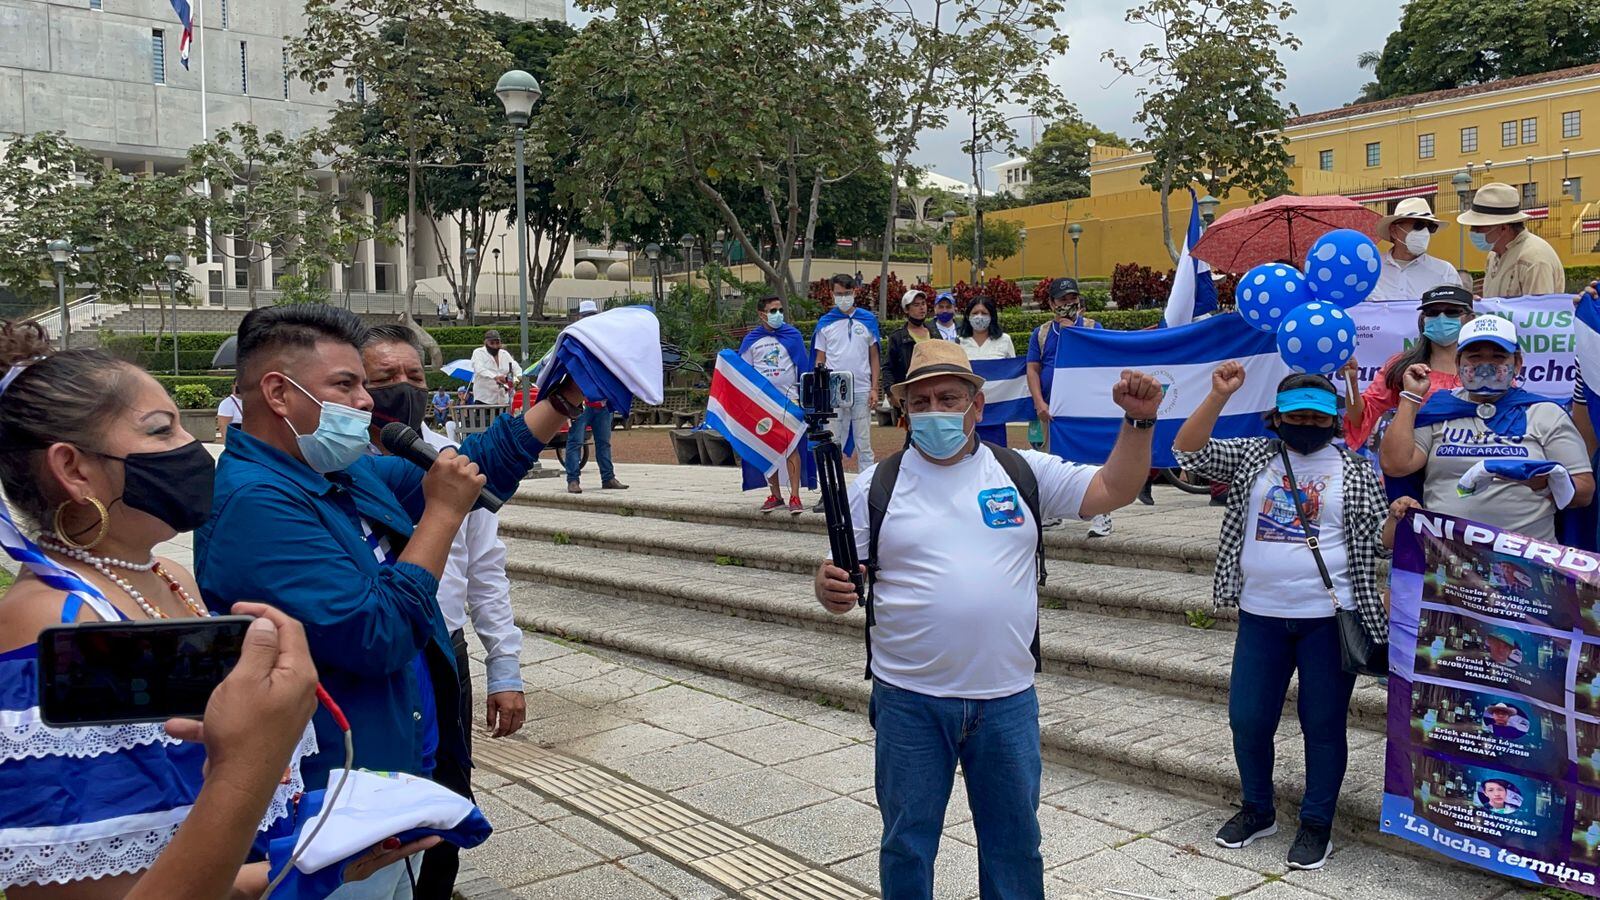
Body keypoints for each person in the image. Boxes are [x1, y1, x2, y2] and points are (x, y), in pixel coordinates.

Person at [196, 304, 604, 898]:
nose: (365, 402)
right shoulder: (257, 504)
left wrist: (560, 400)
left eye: (365, 383)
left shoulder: (338, 472)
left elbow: (472, 470)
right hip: (327, 814)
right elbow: (377, 633)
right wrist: (441, 514)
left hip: (386, 791)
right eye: (346, 384)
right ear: (279, 395)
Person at [0, 338, 419, 898]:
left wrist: (327, 853)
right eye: (159, 430)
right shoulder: (50, 622)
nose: (191, 450)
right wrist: (257, 770)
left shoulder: (170, 575)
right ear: (73, 468)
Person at [813, 341, 1161, 900]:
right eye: (921, 401)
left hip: (1005, 702)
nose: (935, 411)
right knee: (906, 842)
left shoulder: (1021, 470)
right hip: (909, 700)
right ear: (905, 411)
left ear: (977, 405)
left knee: (1015, 845)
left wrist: (1139, 421)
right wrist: (827, 586)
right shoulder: (875, 486)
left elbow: (1112, 489)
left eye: (949, 398)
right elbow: (839, 569)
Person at [1172, 364, 1390, 872]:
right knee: (1247, 719)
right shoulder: (1255, 456)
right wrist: (1217, 396)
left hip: (1327, 620)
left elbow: (1381, 541)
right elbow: (1188, 452)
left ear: (1334, 420)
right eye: (1298, 416)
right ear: (1278, 418)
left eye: (1318, 417)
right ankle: (1258, 809)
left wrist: (1397, 522)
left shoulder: (1356, 469)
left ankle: (1317, 824)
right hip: (1261, 617)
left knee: (1323, 724)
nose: (1308, 425)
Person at [359, 325, 526, 900]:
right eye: (384, 379)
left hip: (442, 649)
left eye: (414, 376)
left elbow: (485, 572)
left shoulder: (453, 463)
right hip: (371, 658)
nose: (402, 388)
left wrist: (505, 669)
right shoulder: (334, 465)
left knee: (450, 791)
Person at [1381, 315, 1593, 542]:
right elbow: (1396, 466)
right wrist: (1410, 397)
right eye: (1474, 357)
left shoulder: (1544, 413)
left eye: (1498, 357)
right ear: (1458, 363)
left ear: (1517, 363)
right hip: (1447, 559)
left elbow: (1584, 491)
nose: (1485, 366)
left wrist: (1547, 484)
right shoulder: (1438, 411)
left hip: (1526, 562)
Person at [1341, 285, 1476, 451]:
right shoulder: (1403, 366)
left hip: (1473, 460)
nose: (1441, 318)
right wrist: (1352, 381)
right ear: (1423, 319)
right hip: (1412, 461)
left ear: (1470, 318)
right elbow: (1360, 418)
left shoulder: (1486, 366)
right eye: (1432, 312)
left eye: (1452, 312)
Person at [1027, 278, 1111, 535]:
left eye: (1072, 298)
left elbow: (1101, 361)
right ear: (1051, 303)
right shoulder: (1041, 334)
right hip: (1052, 411)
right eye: (1062, 299)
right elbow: (1032, 369)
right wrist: (1039, 402)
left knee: (1094, 460)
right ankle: (1053, 513)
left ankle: (1102, 514)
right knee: (1052, 462)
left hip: (1085, 408)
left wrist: (1072, 331)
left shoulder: (1092, 327)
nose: (1068, 304)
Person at [739, 295, 810, 514]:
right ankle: (775, 494)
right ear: (762, 314)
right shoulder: (752, 340)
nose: (778, 314)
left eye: (780, 309)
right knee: (768, 450)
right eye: (772, 310)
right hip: (764, 404)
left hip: (790, 400)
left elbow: (803, 367)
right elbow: (743, 373)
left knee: (791, 448)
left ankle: (795, 496)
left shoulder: (793, 335)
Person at [813, 273, 881, 476]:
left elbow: (875, 357)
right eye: (839, 294)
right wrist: (821, 389)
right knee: (833, 440)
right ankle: (832, 489)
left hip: (861, 389)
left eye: (847, 293)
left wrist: (874, 388)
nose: (843, 297)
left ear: (855, 292)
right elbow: (820, 359)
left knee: (864, 442)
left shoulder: (867, 320)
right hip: (834, 390)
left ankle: (866, 487)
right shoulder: (825, 323)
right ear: (832, 294)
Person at [1459, 182, 1565, 298]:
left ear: (1504, 227)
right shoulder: (1493, 256)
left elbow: (1538, 311)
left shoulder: (1535, 259)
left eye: (1479, 226)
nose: (1473, 231)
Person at [563, 304, 626, 495]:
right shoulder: (574, 340)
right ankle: (573, 480)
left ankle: (608, 477)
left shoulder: (605, 341)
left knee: (603, 442)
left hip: (602, 403)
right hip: (581, 402)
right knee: (575, 442)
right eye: (587, 316)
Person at [1370, 198, 1472, 302]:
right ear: (1394, 231)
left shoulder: (1444, 271)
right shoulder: (1371, 269)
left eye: (1430, 227)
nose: (1425, 232)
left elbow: (1458, 310)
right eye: (1418, 225)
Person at [957, 295, 1014, 447]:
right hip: (967, 410)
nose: (979, 317)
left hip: (996, 411)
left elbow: (1013, 374)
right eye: (975, 313)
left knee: (996, 454)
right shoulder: (958, 341)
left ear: (992, 316)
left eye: (984, 313)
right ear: (968, 316)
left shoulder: (1005, 340)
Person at [884, 290, 932, 421]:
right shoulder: (897, 337)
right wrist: (891, 393)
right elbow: (888, 367)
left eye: (923, 303)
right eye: (916, 305)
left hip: (934, 391)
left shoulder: (934, 333)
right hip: (912, 394)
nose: (922, 308)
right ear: (906, 310)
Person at [470, 329, 521, 406]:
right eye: (492, 343)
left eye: (497, 343)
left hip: (503, 399)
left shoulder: (505, 354)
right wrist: (495, 377)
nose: (495, 346)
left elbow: (517, 369)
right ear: (486, 342)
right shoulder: (478, 352)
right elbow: (479, 369)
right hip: (484, 398)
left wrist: (514, 380)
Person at [216, 380, 244, 445]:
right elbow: (224, 428)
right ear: (233, 386)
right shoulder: (227, 404)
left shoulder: (250, 401)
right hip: (236, 443)